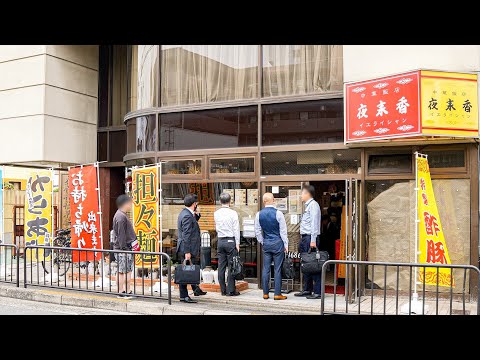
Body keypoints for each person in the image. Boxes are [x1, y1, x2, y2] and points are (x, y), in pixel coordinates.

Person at [254, 192, 288, 300]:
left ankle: (265, 293)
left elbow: (257, 231)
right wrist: (286, 244)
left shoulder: (258, 214)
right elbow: (283, 231)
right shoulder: (279, 213)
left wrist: (262, 241)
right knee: (277, 269)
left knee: (266, 268)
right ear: (273, 200)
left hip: (267, 243)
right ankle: (277, 294)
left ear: (264, 201)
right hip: (278, 243)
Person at [176, 193, 207, 303]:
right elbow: (186, 235)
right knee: (185, 272)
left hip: (188, 247)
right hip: (187, 248)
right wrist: (187, 251)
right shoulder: (186, 216)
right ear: (194, 204)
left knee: (191, 268)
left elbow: (192, 225)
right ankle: (183, 296)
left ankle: (196, 289)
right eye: (196, 204)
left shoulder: (187, 214)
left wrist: (197, 215)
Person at [295, 185, 322, 299]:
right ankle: (307, 289)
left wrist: (313, 240)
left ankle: (317, 292)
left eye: (302, 193)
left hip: (310, 238)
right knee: (306, 265)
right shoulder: (308, 206)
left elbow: (314, 224)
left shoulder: (313, 205)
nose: (301, 195)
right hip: (305, 238)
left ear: (307, 194)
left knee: (313, 265)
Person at [214, 192, 241, 296]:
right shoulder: (233, 213)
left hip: (220, 240)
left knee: (221, 266)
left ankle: (222, 290)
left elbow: (216, 228)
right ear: (230, 201)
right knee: (231, 265)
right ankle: (231, 290)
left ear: (220, 201)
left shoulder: (216, 213)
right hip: (230, 240)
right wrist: (237, 243)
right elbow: (236, 229)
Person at [112, 194, 136, 299]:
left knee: (123, 271)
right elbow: (121, 234)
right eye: (129, 203)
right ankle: (123, 291)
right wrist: (124, 248)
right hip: (123, 248)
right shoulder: (121, 216)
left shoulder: (120, 215)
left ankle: (124, 291)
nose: (131, 205)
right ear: (125, 204)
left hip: (122, 248)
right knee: (124, 271)